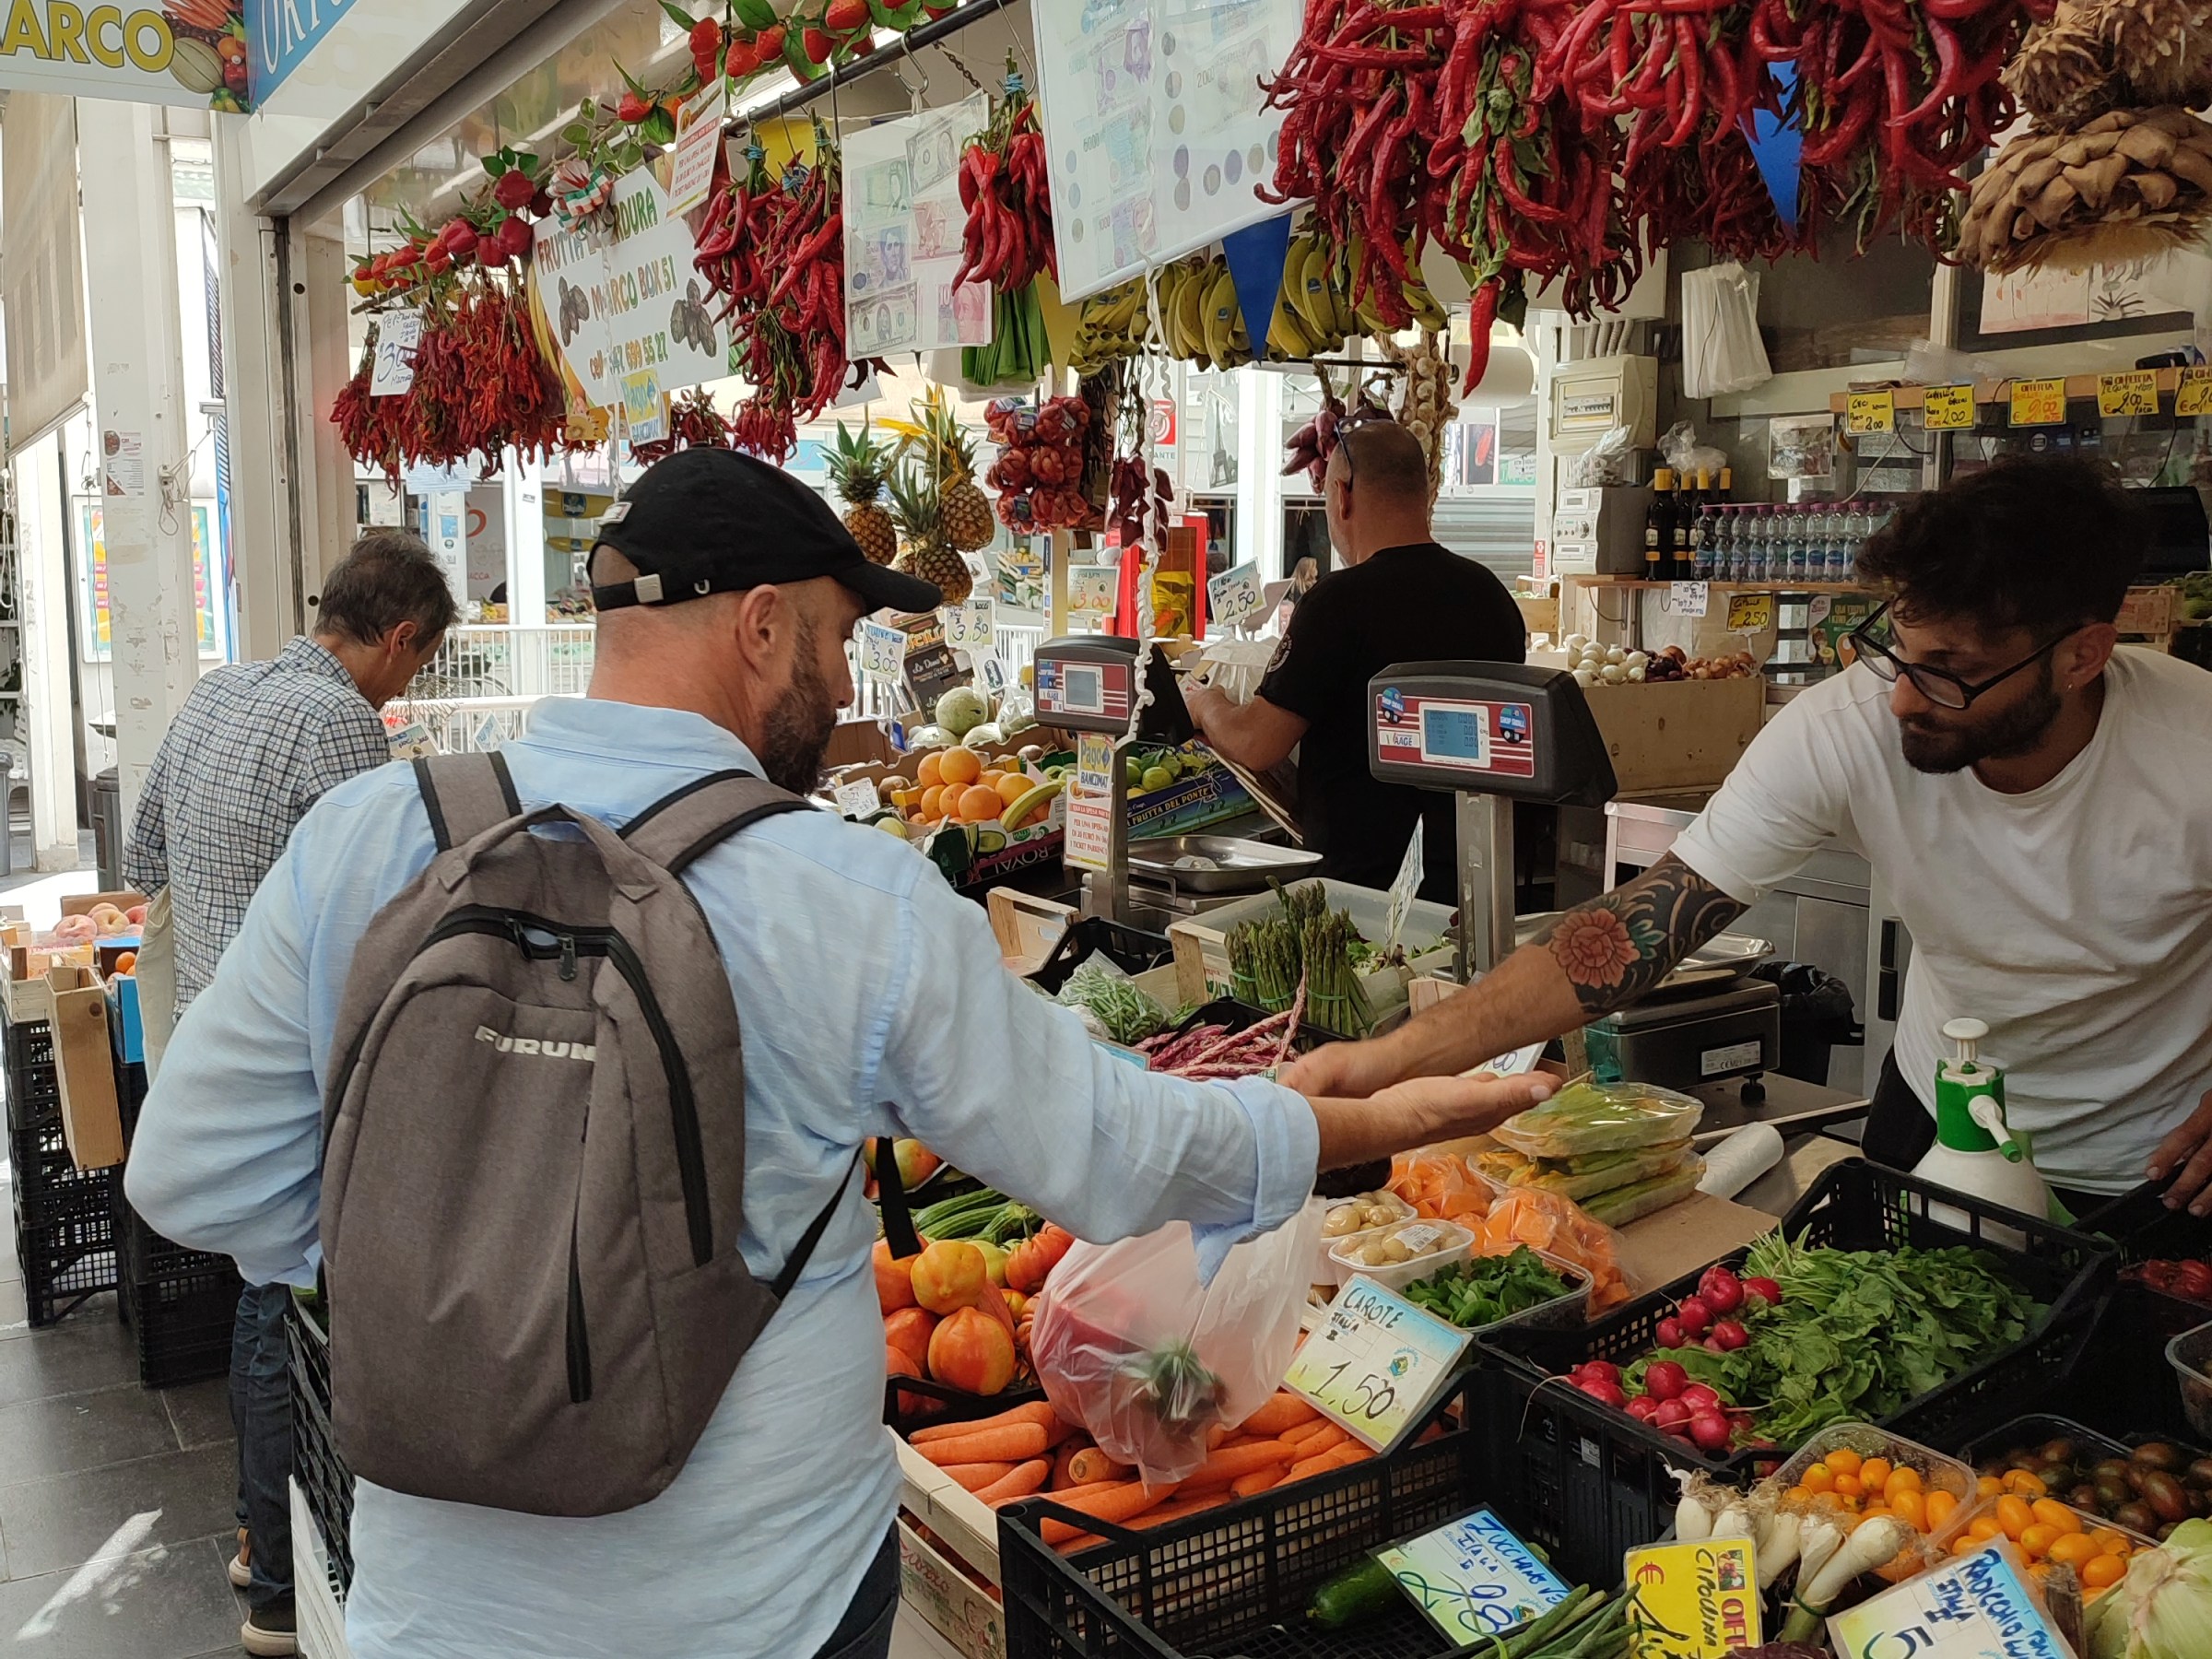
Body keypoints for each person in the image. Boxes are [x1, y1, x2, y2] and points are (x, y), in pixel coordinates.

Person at [123, 449, 1553, 1659]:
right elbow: (1123, 1160)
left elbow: (190, 1180)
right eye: (835, 634)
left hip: (435, 1615)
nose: (844, 670)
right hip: (760, 1608)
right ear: (758, 627)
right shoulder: (844, 894)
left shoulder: (373, 836)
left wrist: (457, 1250)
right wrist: (1355, 1115)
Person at [1284, 457, 2212, 1211]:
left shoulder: (2191, 750)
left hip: (2153, 1166)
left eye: (1950, 672)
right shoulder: (1844, 727)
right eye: (1899, 647)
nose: (1899, 696)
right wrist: (1384, 1060)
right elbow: (1629, 933)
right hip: (1938, 1117)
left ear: (2085, 654)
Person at [123, 527, 455, 1658]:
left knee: (258, 1301)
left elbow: (143, 853)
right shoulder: (339, 727)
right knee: (283, 1306)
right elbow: (393, 917)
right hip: (292, 1065)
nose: (408, 686)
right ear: (399, 639)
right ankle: (275, 1577)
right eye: (417, 666)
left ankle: (250, 1523)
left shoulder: (220, 691)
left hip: (204, 1054)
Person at [1183, 421, 1526, 901]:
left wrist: (1207, 705)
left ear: (1342, 494)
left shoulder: (1336, 603)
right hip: (1474, 892)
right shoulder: (1492, 599)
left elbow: (1257, 742)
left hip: (1361, 895)